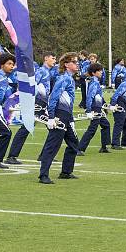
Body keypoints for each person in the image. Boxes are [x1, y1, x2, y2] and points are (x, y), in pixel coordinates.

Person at [38, 52, 80, 184]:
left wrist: (71, 119)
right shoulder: (63, 79)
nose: (77, 64)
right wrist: (51, 117)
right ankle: (43, 175)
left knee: (73, 144)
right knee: (52, 146)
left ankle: (66, 172)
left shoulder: (70, 79)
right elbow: (53, 97)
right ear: (67, 64)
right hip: (59, 115)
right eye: (74, 62)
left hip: (66, 116)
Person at [5, 52, 55, 164]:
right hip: (37, 104)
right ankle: (12, 156)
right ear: (46, 59)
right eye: (53, 58)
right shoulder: (41, 71)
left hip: (42, 104)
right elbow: (32, 86)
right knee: (27, 128)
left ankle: (44, 155)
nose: (54, 60)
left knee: (49, 128)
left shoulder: (48, 72)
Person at [77, 63, 111, 154]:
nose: (101, 73)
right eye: (99, 71)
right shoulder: (94, 82)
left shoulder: (95, 81)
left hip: (98, 107)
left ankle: (104, 147)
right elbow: (89, 97)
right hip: (95, 108)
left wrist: (105, 105)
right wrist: (88, 110)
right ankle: (80, 148)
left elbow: (99, 96)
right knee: (92, 129)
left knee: (106, 125)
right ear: (93, 73)